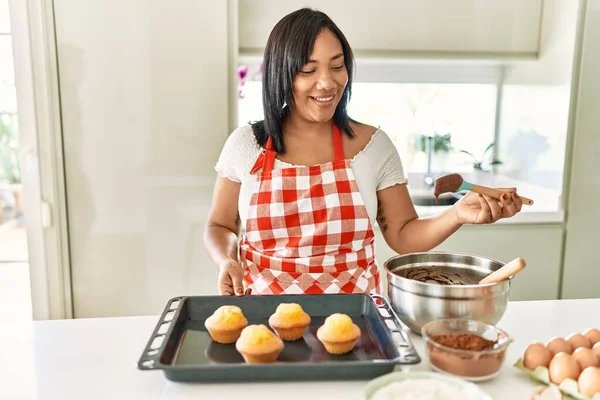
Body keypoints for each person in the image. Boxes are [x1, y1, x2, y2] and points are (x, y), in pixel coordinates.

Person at [204, 8, 523, 296]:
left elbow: (402, 233)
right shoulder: (246, 145)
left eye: (337, 66)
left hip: (356, 328)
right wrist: (226, 259)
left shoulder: (373, 146)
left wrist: (457, 214)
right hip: (264, 328)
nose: (327, 82)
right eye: (309, 70)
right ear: (282, 74)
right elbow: (220, 226)